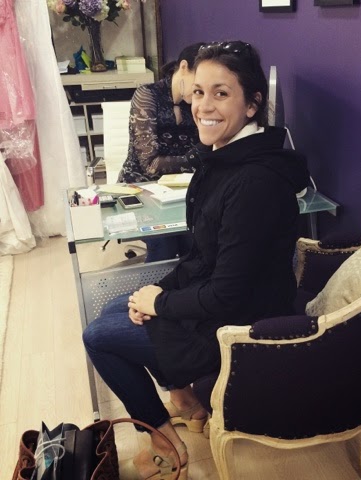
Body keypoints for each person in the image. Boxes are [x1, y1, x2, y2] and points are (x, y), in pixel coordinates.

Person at [83, 40, 310, 480]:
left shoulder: (254, 182)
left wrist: (160, 303)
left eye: (221, 93)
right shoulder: (224, 159)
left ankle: (165, 442)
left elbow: (227, 294)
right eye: (199, 92)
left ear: (252, 105)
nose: (203, 105)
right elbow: (202, 256)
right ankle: (187, 401)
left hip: (241, 325)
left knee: (99, 336)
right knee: (117, 309)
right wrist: (159, 291)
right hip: (224, 301)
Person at [118, 42, 205, 262]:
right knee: (164, 245)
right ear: (183, 67)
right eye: (198, 84)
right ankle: (151, 285)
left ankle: (184, 283)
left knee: (196, 241)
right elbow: (150, 164)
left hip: (179, 190)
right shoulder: (147, 95)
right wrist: (194, 158)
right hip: (140, 186)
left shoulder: (196, 103)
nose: (200, 92)